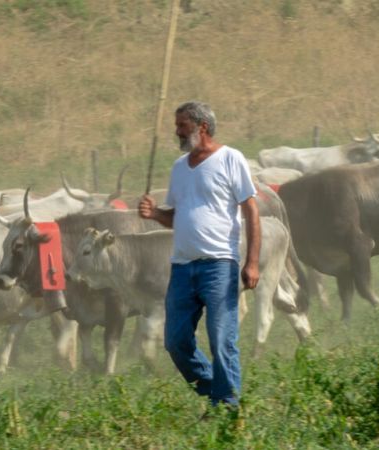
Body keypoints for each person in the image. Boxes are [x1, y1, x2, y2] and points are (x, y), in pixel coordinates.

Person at [138, 101, 260, 408]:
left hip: (219, 264)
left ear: (201, 126)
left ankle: (227, 407)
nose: (176, 132)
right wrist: (154, 215)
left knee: (221, 339)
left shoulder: (231, 159)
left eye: (182, 125)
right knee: (175, 342)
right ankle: (217, 393)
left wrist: (253, 261)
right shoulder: (179, 168)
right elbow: (176, 217)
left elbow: (251, 210)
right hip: (182, 267)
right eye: (177, 125)